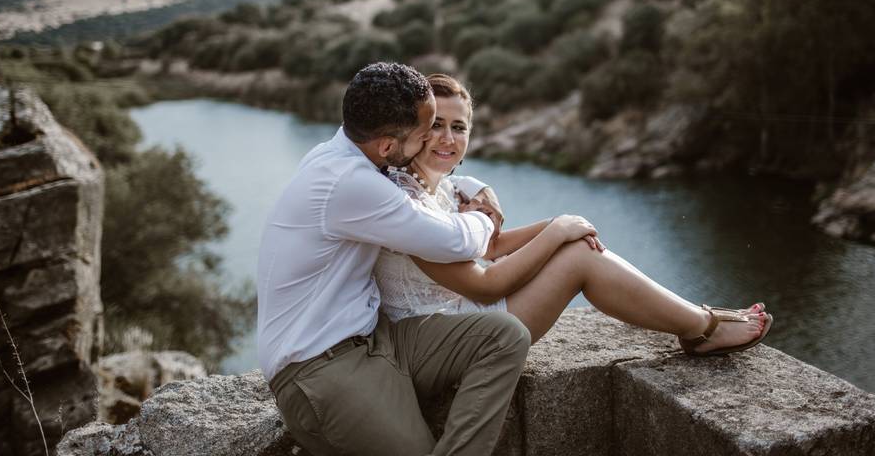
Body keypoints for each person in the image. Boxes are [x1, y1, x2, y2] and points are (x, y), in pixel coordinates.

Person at [374, 73, 772, 353]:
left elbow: (489, 247)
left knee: (575, 241)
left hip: (460, 317)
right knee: (579, 256)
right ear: (414, 128)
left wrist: (555, 225)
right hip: (448, 338)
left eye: (458, 127)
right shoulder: (405, 203)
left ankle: (698, 320)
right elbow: (486, 283)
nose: (447, 138)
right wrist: (558, 231)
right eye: (436, 125)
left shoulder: (437, 185)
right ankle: (702, 329)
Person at [257, 63, 539, 456]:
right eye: (425, 134)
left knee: (503, 334)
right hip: (318, 369)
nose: (431, 142)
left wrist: (475, 185)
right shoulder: (351, 183)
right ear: (388, 146)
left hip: (376, 340)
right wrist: (483, 216)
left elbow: (440, 188)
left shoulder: (340, 153)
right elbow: (453, 241)